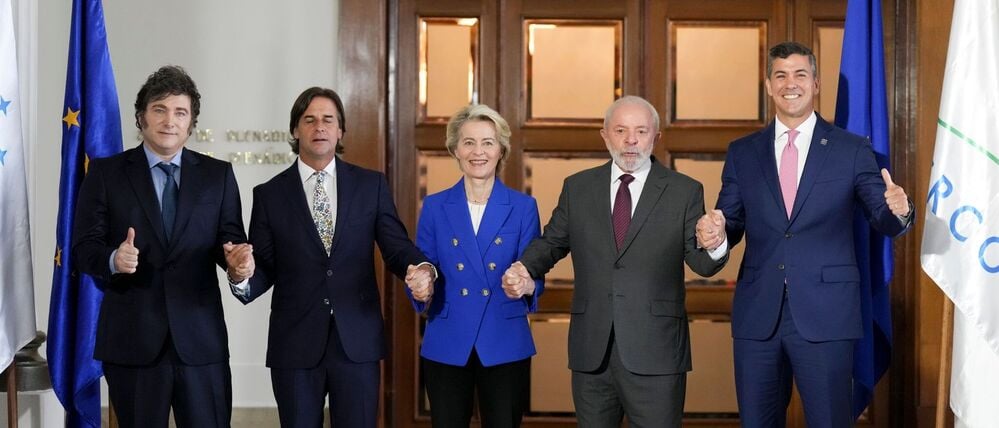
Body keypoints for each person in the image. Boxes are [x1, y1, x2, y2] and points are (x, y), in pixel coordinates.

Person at [700, 41, 913, 427]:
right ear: (768, 85)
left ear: (815, 83)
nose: (790, 83)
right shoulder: (742, 152)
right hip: (758, 316)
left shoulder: (851, 149)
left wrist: (900, 210)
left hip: (827, 314)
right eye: (780, 75)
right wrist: (715, 236)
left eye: (800, 74)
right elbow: (729, 221)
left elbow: (880, 214)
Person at [504, 95, 727, 427]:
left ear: (656, 137)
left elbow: (703, 264)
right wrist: (523, 268)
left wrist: (716, 244)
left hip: (657, 353)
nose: (631, 140)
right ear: (605, 135)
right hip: (592, 351)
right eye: (621, 130)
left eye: (641, 130)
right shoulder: (577, 188)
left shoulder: (684, 191)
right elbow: (552, 242)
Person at [236, 86, 435, 428]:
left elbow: (396, 246)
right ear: (295, 130)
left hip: (356, 341)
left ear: (341, 130)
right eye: (309, 119)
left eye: (329, 119)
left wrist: (420, 269)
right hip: (294, 344)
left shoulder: (370, 185)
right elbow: (262, 268)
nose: (320, 127)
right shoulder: (269, 194)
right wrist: (242, 275)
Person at [72, 65, 252, 427]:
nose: (170, 121)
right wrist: (112, 259)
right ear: (141, 117)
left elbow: (229, 243)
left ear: (191, 123)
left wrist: (237, 267)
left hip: (200, 342)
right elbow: (82, 248)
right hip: (132, 341)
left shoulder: (218, 176)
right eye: (160, 109)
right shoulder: (106, 174)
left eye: (180, 112)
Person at [412, 104, 543, 427]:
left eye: (487, 142)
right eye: (469, 142)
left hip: (504, 338)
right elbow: (423, 265)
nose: (478, 151)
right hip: (448, 337)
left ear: (501, 150)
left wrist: (527, 285)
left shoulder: (524, 207)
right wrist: (420, 282)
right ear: (455, 149)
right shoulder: (435, 206)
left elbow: (533, 272)